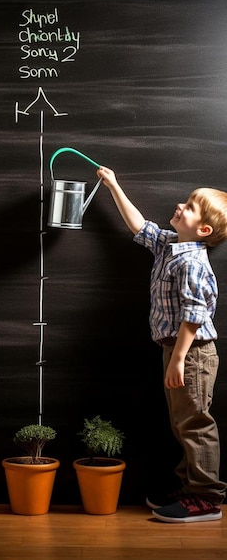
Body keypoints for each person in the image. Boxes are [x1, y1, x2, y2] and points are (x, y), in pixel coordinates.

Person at [97, 164, 227, 523]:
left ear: (203, 229)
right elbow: (140, 227)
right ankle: (190, 487)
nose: (179, 206)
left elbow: (194, 313)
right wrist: (113, 185)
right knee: (181, 422)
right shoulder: (171, 245)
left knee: (195, 423)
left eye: (189, 206)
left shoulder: (193, 263)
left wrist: (178, 359)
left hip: (192, 353)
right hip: (178, 350)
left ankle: (207, 498)